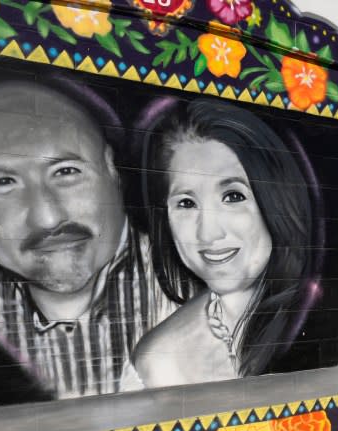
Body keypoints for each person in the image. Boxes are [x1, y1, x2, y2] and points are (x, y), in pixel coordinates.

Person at [0, 79, 178, 399]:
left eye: (66, 172)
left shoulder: (192, 290)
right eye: (2, 183)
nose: (47, 217)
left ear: (111, 168)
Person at [126, 99, 314, 388]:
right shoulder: (159, 359)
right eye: (186, 203)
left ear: (276, 198)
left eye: (233, 197)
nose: (209, 234)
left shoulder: (319, 315)